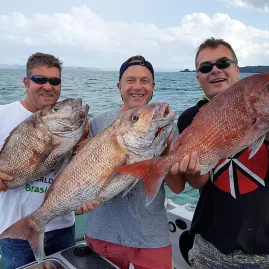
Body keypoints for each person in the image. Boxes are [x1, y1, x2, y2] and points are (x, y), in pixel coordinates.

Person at [79, 55, 184, 269]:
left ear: (153, 86)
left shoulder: (168, 127)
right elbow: (84, 173)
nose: (138, 87)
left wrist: (165, 154)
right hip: (102, 233)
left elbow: (178, 187)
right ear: (119, 86)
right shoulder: (99, 123)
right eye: (130, 80)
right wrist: (79, 201)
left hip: (152, 236)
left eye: (145, 81)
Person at [173, 37, 269, 268]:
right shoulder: (189, 119)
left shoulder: (260, 108)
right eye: (206, 67)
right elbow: (199, 182)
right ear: (198, 78)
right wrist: (191, 172)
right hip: (209, 246)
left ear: (237, 69)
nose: (215, 70)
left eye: (223, 63)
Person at [0, 53, 78, 269]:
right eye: (40, 79)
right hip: (17, 230)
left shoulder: (71, 122)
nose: (48, 86)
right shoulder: (2, 115)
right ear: (26, 82)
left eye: (54, 81)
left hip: (63, 225)